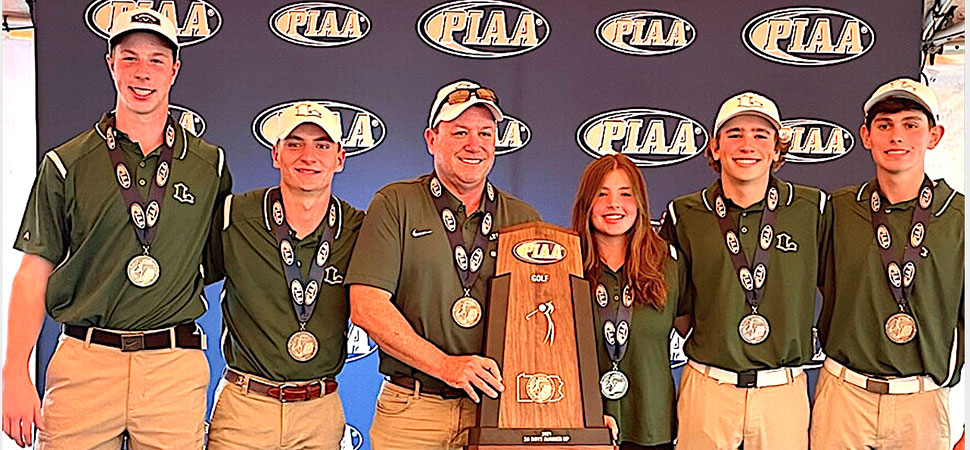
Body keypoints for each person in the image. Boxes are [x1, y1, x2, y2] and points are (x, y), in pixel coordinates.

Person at [1, 8, 231, 448]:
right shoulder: (66, 163)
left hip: (172, 369)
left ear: (174, 70)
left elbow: (221, 260)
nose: (142, 73)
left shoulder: (209, 166)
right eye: (129, 59)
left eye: (156, 60)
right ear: (110, 64)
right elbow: (33, 272)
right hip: (85, 365)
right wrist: (14, 370)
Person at [345, 79, 541, 450]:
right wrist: (446, 366)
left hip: (497, 411)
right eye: (460, 132)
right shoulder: (396, 203)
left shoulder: (523, 218)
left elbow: (541, 319)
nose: (474, 144)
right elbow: (367, 307)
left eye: (485, 132)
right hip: (413, 410)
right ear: (432, 139)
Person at [659, 92, 831, 449]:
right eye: (734, 134)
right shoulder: (685, 213)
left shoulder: (811, 208)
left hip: (782, 390)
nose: (747, 145)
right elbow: (679, 309)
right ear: (715, 147)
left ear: (777, 150)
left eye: (760, 134)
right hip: (709, 386)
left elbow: (837, 288)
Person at [812, 78, 963, 450]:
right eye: (884, 126)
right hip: (844, 394)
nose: (897, 136)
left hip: (923, 400)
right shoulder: (838, 209)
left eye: (911, 124)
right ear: (866, 136)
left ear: (934, 135)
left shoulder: (959, 215)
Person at [203, 101, 364, 449]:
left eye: (322, 145)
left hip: (320, 411)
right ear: (276, 154)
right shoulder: (235, 217)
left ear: (340, 158)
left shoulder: (359, 229)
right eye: (295, 143)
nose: (309, 156)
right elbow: (181, 279)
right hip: (245, 406)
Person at [571, 153, 685, 450]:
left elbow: (698, 332)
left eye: (625, 194)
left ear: (640, 204)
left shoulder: (669, 265)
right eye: (602, 194)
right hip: (578, 425)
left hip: (651, 425)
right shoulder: (565, 264)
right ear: (586, 203)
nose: (614, 205)